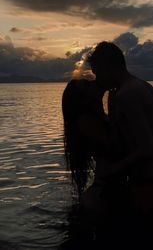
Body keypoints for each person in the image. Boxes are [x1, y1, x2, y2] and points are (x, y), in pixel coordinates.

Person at [86, 42, 153, 238]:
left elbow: (148, 150)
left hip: (148, 191)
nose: (97, 80)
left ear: (109, 67)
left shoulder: (125, 96)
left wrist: (111, 170)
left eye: (97, 73)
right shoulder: (144, 86)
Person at [62, 78, 127, 237]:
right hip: (105, 190)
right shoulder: (86, 121)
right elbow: (115, 148)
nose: (92, 82)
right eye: (86, 85)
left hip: (109, 186)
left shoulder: (96, 117)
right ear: (82, 98)